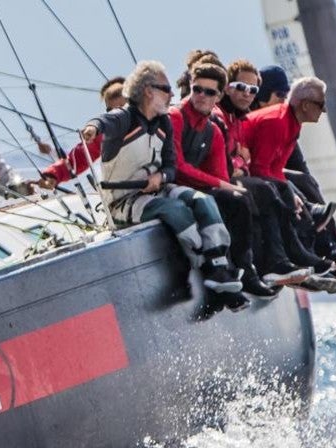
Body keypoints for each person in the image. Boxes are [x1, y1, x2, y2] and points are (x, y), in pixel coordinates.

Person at [40, 60, 248, 311]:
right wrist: (89, 132)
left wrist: (160, 178)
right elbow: (100, 124)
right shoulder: (123, 120)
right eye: (166, 89)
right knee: (176, 211)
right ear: (149, 91)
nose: (172, 95)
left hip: (158, 188)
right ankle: (205, 267)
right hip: (125, 200)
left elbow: (171, 166)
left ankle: (219, 266)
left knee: (203, 201)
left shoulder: (164, 123)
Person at [167, 61, 281, 298]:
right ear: (190, 87)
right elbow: (178, 167)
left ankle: (243, 271)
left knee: (238, 199)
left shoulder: (213, 130)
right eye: (197, 89)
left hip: (196, 188)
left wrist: (224, 186)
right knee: (225, 194)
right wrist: (221, 184)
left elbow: (219, 175)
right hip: (171, 186)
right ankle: (219, 274)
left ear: (219, 95)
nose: (201, 96)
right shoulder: (175, 117)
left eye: (209, 92)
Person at [242, 76, 336, 292]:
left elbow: (274, 168)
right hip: (239, 172)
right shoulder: (276, 122)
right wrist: (289, 193)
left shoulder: (293, 124)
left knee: (295, 189)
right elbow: (259, 168)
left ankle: (307, 251)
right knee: (278, 194)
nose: (324, 111)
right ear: (305, 105)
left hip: (258, 174)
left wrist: (292, 194)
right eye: (321, 105)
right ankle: (286, 258)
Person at [216, 59, 314, 288]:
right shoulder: (221, 115)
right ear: (228, 87)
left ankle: (311, 253)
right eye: (240, 87)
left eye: (252, 90)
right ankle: (266, 266)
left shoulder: (243, 119)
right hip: (221, 180)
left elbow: (244, 154)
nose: (246, 94)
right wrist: (238, 164)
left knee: (293, 184)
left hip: (240, 174)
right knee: (265, 191)